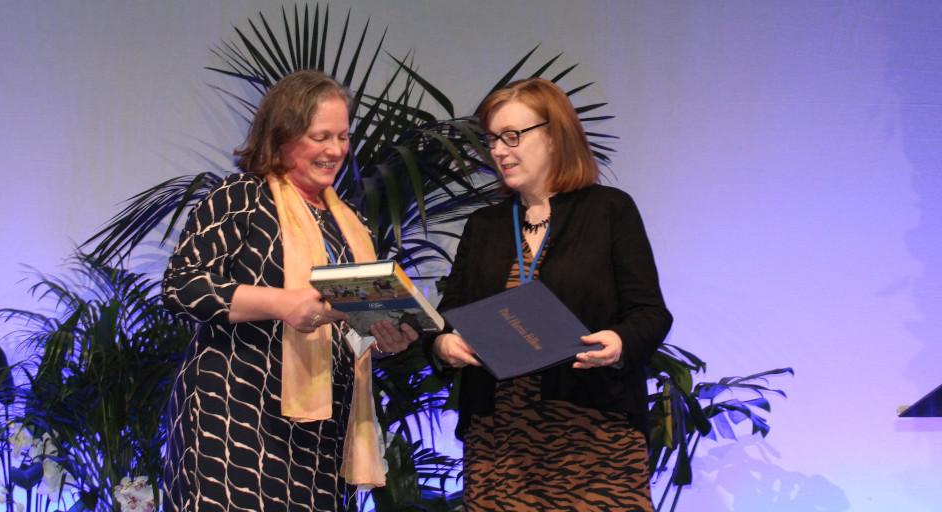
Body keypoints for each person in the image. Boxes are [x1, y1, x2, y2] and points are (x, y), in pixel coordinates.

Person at [161, 70, 418, 511]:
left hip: (318, 430)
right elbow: (182, 286)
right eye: (321, 136)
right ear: (282, 135)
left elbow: (349, 322)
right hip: (234, 413)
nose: (336, 150)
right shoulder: (239, 196)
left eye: (342, 136)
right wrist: (283, 304)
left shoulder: (349, 223)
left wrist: (381, 335)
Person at [432, 78, 672, 511]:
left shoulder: (609, 211)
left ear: (554, 135)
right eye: (492, 140)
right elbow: (451, 316)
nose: (499, 151)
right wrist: (444, 341)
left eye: (511, 137)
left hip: (593, 437)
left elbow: (649, 314)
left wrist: (619, 343)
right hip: (498, 444)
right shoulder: (484, 226)